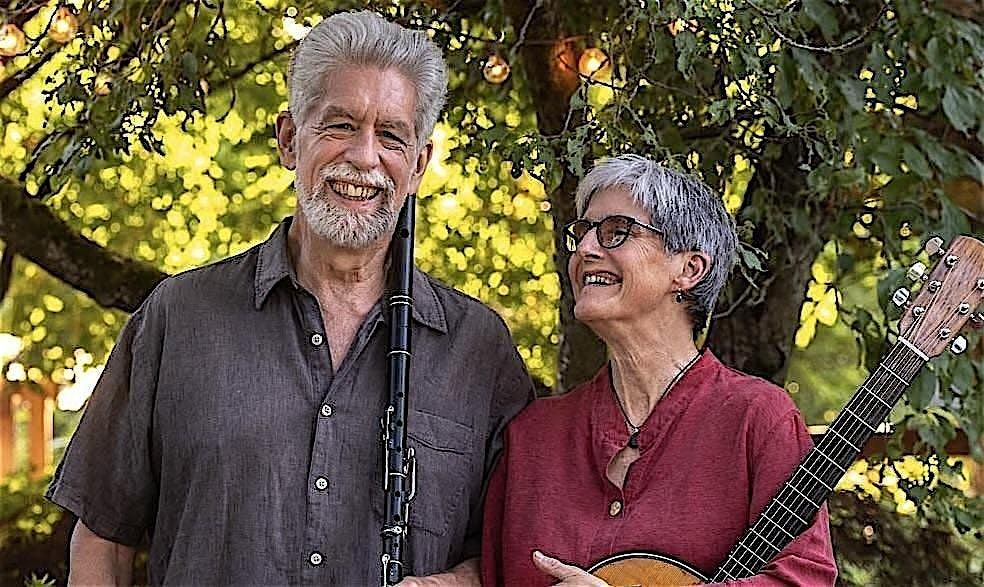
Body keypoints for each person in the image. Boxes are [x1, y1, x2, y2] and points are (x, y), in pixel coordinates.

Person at [46, 10, 533, 586]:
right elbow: (103, 539)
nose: (364, 157)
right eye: (340, 126)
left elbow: (515, 552)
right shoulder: (179, 317)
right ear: (288, 140)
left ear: (419, 165)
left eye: (391, 136)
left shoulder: (479, 349)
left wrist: (453, 583)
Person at [481, 155, 837, 586]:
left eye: (616, 231)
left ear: (689, 269)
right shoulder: (532, 434)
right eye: (583, 232)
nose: (586, 249)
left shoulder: (758, 418)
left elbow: (802, 579)